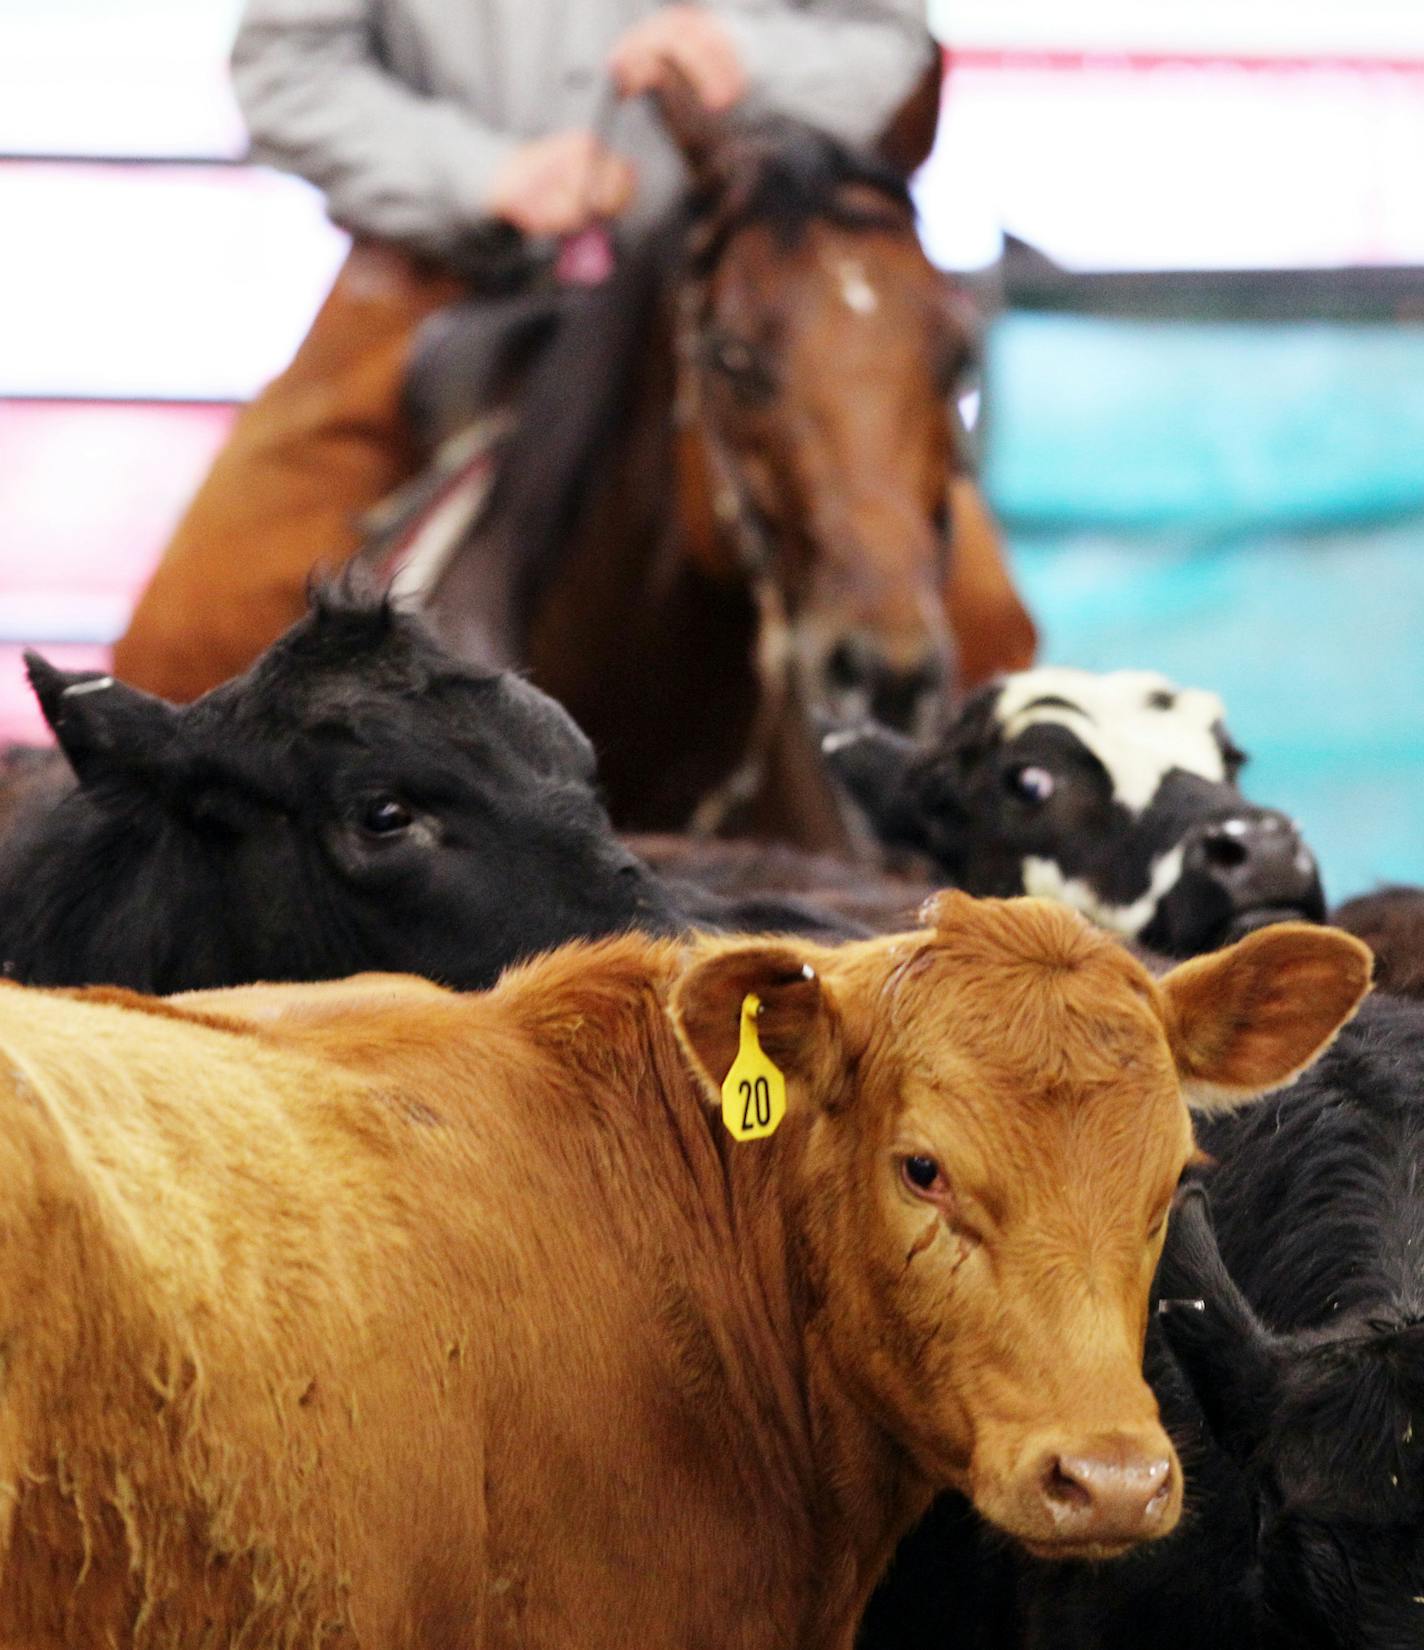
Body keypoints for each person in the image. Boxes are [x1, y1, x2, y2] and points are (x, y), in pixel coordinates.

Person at [111, 3, 987, 702]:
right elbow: (287, 67)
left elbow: (893, 46)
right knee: (191, 643)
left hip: (751, 290)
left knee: (981, 630)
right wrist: (481, 174)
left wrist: (748, 56)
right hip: (436, 276)